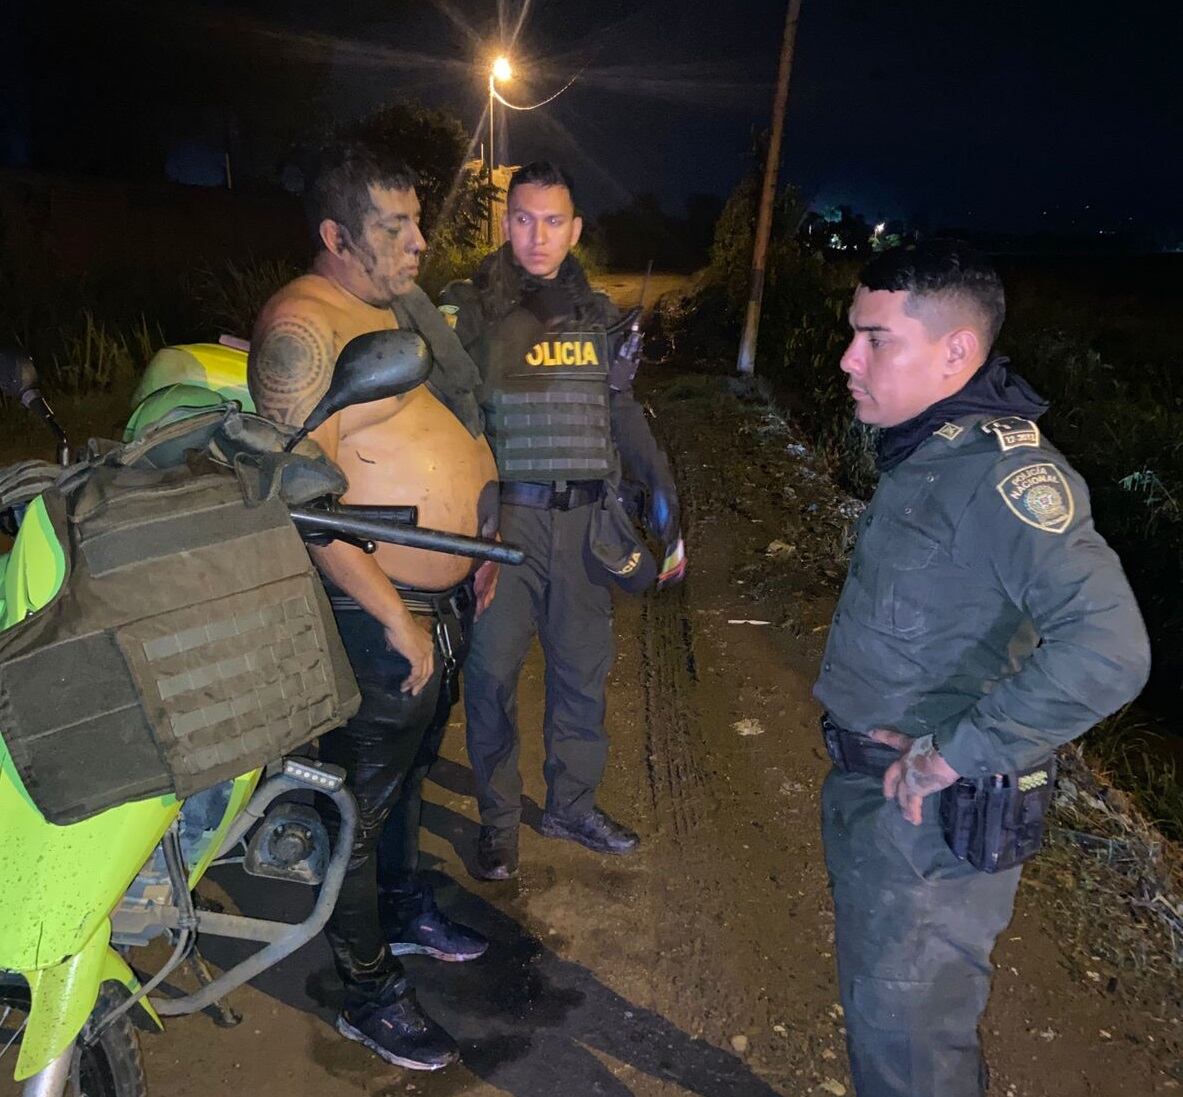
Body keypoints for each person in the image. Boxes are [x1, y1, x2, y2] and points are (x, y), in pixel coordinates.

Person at [813, 239, 1151, 1097]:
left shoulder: (1004, 475)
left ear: (955, 352)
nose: (849, 359)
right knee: (891, 1031)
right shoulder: (930, 450)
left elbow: (1109, 648)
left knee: (914, 1055)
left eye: (875, 338)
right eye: (854, 335)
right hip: (876, 800)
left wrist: (950, 751)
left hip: (929, 820)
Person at [248, 141, 500, 1072]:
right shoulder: (304, 328)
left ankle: (399, 907)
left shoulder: (393, 309)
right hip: (370, 613)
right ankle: (365, 988)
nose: (420, 243)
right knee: (353, 803)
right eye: (395, 227)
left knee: (403, 783)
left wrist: (477, 531)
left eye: (419, 222)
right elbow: (296, 496)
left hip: (442, 591)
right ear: (336, 234)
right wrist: (394, 612)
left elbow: (453, 422)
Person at [440, 160, 684, 881]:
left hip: (584, 528)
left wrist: (658, 481)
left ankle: (571, 804)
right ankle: (499, 822)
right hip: (505, 527)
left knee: (582, 675)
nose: (536, 235)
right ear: (505, 221)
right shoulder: (470, 308)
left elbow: (618, 410)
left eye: (552, 222)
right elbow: (448, 421)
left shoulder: (598, 316)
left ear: (574, 229)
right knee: (489, 677)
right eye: (522, 218)